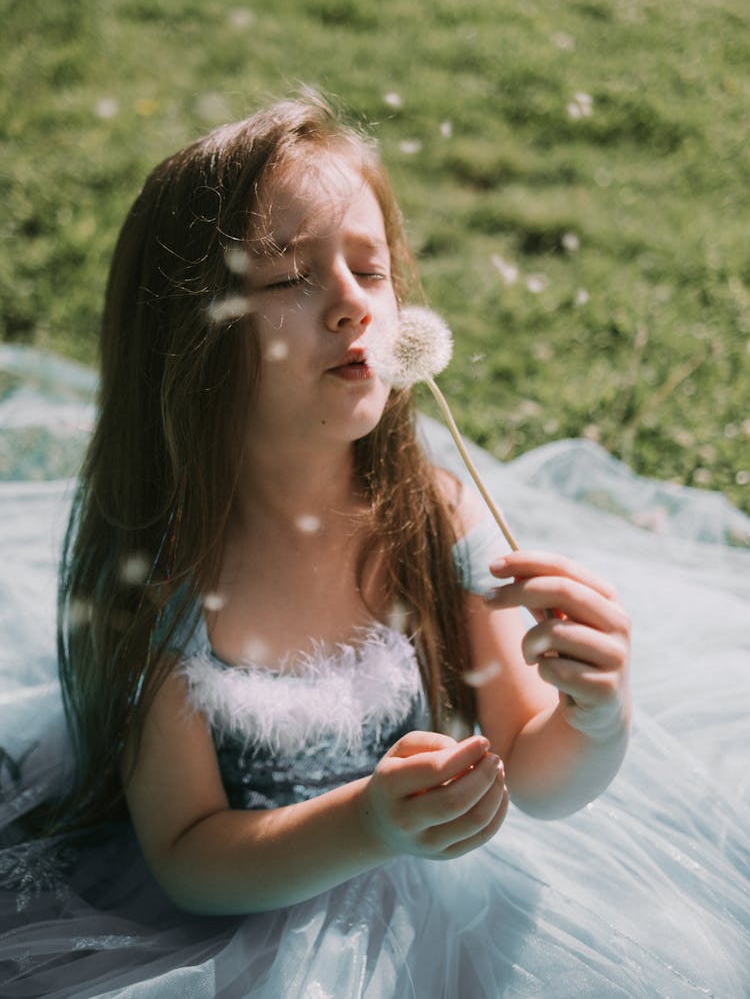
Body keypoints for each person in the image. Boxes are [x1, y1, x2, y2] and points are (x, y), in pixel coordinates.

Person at [0, 94, 746, 997]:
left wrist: (595, 716)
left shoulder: (433, 515)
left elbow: (536, 771)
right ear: (191, 338)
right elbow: (189, 857)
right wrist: (370, 824)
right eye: (289, 280)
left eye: (372, 267)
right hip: (245, 920)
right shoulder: (165, 582)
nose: (353, 304)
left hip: (453, 897)